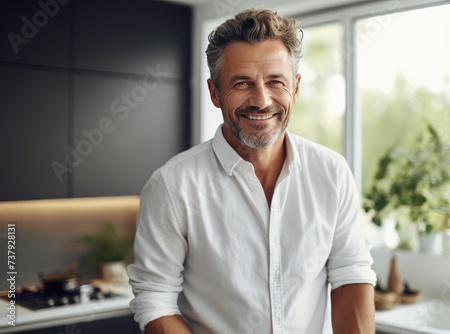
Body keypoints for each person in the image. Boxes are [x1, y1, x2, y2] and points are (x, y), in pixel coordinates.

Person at [127, 7, 377, 334]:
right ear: (215, 92)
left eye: (276, 81)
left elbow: (351, 273)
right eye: (243, 83)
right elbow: (156, 299)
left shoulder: (332, 172)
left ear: (296, 88)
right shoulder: (173, 186)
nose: (261, 100)